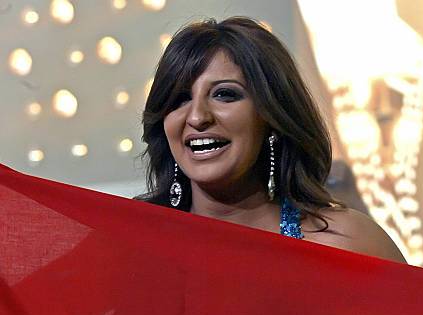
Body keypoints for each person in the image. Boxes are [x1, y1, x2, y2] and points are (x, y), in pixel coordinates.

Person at [137, 16, 406, 264]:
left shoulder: (347, 243)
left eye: (225, 95)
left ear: (272, 115)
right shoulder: (132, 245)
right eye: (180, 99)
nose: (197, 117)